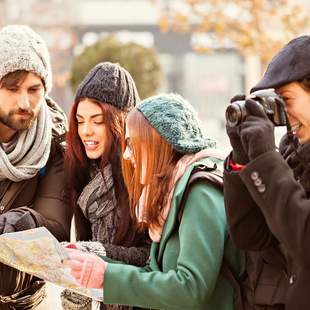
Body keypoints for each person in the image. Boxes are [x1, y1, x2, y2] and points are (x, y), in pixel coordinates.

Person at [63, 93, 243, 310]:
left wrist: (107, 276)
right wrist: (93, 265)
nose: (128, 155)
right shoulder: (171, 193)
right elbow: (155, 275)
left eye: (133, 144)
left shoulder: (200, 192)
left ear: (160, 143)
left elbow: (191, 288)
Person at [224, 35, 310, 310]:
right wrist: (243, 159)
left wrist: (265, 160)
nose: (283, 115)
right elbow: (251, 236)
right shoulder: (291, 157)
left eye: (286, 100)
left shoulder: (277, 164)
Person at [61, 62, 151, 310]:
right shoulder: (83, 171)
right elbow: (84, 240)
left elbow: (155, 256)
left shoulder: (145, 174)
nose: (85, 131)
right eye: (80, 121)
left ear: (120, 121)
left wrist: (95, 253)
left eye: (97, 121)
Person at [0, 25, 70, 309]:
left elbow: (56, 228)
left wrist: (18, 221)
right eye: (12, 88)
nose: (24, 102)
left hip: (20, 301)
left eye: (34, 89)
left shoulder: (55, 144)